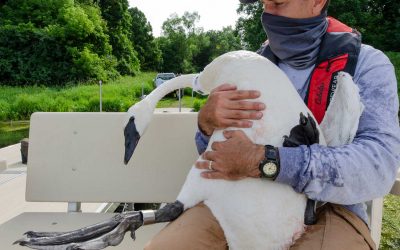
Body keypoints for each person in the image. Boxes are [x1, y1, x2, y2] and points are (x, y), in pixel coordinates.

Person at [145, 0, 400, 249]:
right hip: (240, 199)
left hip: (331, 208)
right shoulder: (249, 66)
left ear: (317, 2)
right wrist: (207, 125)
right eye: (264, 5)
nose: (267, 15)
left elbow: (379, 165)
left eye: (278, 4)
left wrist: (266, 162)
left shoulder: (367, 65)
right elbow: (218, 156)